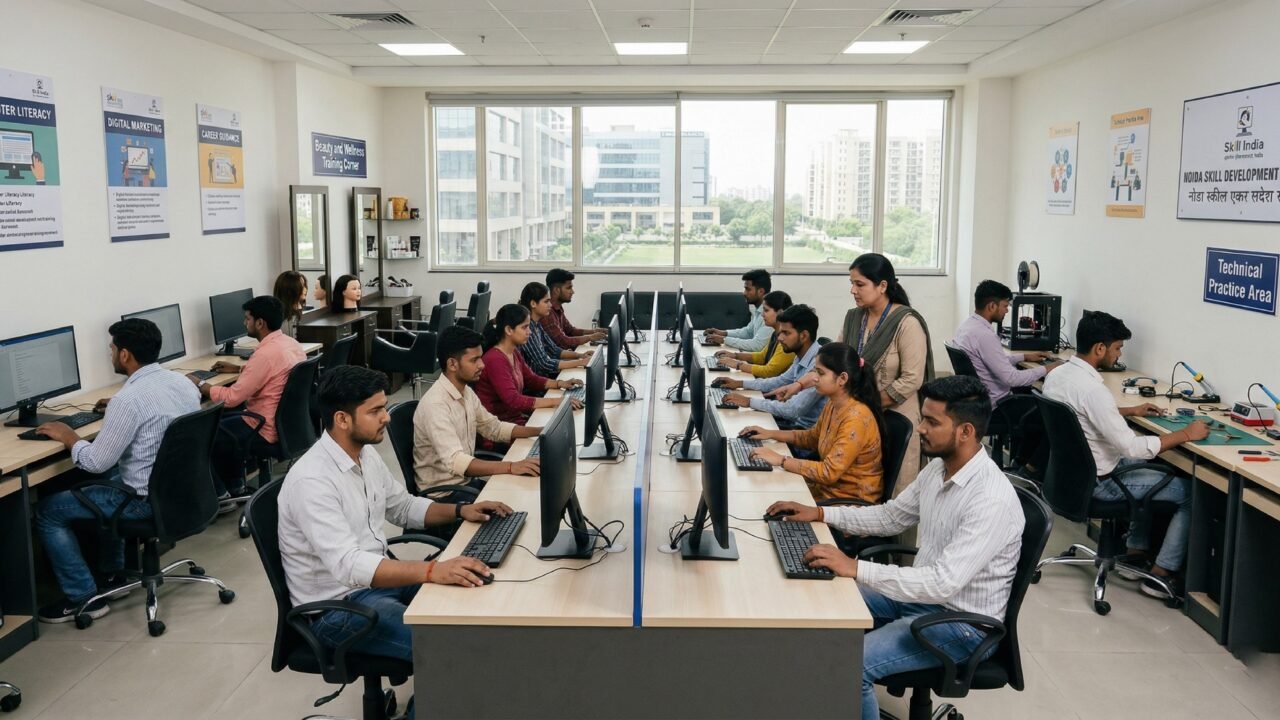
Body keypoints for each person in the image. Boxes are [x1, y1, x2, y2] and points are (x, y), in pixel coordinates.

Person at [765, 375, 1024, 720]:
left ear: (966, 432)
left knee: (850, 666)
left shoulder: (990, 499)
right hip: (921, 598)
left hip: (960, 626)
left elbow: (943, 583)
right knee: (819, 600)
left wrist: (856, 567)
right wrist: (821, 512)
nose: (920, 429)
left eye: (932, 422)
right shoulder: (938, 469)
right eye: (922, 418)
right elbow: (890, 517)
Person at [279, 366, 510, 720]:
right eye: (375, 411)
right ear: (342, 419)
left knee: (472, 615)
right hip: (337, 609)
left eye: (384, 407)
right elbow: (349, 566)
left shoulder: (364, 453)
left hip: (375, 586)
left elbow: (402, 507)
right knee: (452, 654)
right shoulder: (312, 481)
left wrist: (462, 509)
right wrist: (433, 570)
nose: (386, 417)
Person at [33, 319, 200, 623]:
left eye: (111, 349)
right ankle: (113, 578)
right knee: (110, 482)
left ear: (124, 355)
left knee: (48, 511)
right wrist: (116, 409)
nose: (109, 355)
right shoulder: (181, 383)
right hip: (183, 493)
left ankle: (83, 599)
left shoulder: (128, 400)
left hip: (144, 504)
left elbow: (96, 461)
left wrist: (70, 437)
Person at [1043, 310, 1206, 601]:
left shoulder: (1059, 376)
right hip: (1101, 483)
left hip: (1071, 479)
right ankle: (1160, 574)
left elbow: (1082, 415)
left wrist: (1131, 410)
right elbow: (1132, 447)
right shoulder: (1094, 390)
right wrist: (1185, 434)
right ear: (1100, 348)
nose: (1118, 355)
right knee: (1190, 493)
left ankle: (1134, 553)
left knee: (1149, 465)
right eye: (1117, 348)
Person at [772, 254, 935, 491]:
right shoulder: (854, 318)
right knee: (849, 483)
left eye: (860, 284)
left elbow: (912, 378)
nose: (853, 290)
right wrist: (799, 385)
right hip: (857, 416)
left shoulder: (906, 323)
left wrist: (867, 404)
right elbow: (833, 361)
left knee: (897, 494)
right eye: (852, 283)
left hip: (895, 418)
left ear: (882, 286)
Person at [188, 296, 305, 502]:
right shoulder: (290, 344)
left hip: (263, 427)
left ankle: (223, 495)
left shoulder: (264, 355)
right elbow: (272, 371)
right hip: (288, 426)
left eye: (247, 319)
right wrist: (239, 369)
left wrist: (200, 384)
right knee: (224, 422)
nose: (244, 323)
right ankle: (236, 486)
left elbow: (231, 398)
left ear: (260, 323)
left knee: (205, 432)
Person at [741, 342, 885, 503]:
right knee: (761, 490)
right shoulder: (834, 403)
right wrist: (770, 433)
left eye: (821, 373)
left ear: (842, 378)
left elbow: (828, 472)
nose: (814, 378)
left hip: (847, 502)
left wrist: (781, 460)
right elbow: (813, 437)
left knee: (765, 497)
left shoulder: (856, 418)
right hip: (826, 490)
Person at [414, 326, 542, 493]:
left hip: (465, 483)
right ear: (452, 364)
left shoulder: (465, 391)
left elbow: (493, 427)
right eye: (474, 360)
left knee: (523, 490)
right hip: (445, 494)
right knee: (516, 497)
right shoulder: (436, 405)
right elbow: (457, 462)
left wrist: (540, 431)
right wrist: (511, 467)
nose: (482, 365)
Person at [715, 304, 826, 429]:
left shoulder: (821, 367)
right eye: (780, 332)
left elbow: (792, 410)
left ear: (804, 336)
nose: (780, 338)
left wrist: (748, 401)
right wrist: (739, 383)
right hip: (789, 423)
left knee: (737, 425)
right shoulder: (802, 355)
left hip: (800, 433)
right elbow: (780, 381)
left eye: (786, 333)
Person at [954, 280, 1060, 404]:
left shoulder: (966, 326)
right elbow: (1011, 379)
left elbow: (993, 362)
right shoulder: (985, 336)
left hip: (978, 400)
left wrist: (1024, 357)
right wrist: (1048, 368)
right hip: (999, 405)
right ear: (992, 306)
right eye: (1005, 306)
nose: (1007, 311)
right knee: (1046, 402)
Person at [475, 304, 583, 425]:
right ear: (509, 330)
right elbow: (514, 400)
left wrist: (559, 383)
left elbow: (531, 379)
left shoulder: (513, 351)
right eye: (525, 327)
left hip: (515, 419)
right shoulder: (495, 360)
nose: (529, 332)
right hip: (500, 427)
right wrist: (557, 401)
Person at [518, 281, 593, 378]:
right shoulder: (528, 330)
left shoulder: (536, 324)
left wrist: (580, 355)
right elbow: (544, 363)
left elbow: (554, 350)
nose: (550, 305)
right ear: (533, 303)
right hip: (536, 385)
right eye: (546, 301)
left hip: (543, 378)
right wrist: (580, 362)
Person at [713, 290, 794, 378]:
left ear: (780, 313)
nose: (762, 315)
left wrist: (738, 365)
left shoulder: (787, 341)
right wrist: (735, 355)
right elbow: (762, 357)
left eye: (766, 310)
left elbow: (769, 371)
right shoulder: (775, 333)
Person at [702, 269, 774, 352]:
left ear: (761, 291)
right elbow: (748, 332)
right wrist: (723, 333)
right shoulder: (758, 310)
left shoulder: (771, 314)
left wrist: (724, 340)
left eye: (748, 289)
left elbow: (757, 346)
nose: (744, 293)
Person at [540, 268, 605, 350]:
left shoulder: (558, 308)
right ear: (557, 290)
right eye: (568, 288)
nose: (572, 292)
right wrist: (590, 337)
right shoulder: (547, 313)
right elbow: (564, 342)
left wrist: (594, 331)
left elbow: (570, 330)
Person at [273, 270, 308, 339]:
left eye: (304, 286)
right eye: (302, 286)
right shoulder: (285, 323)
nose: (305, 289)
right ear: (290, 290)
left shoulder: (298, 313)